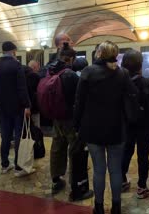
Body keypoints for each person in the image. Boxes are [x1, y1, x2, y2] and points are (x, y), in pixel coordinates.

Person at [74, 41, 132, 214]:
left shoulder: (88, 72)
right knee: (115, 170)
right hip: (116, 129)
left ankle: (98, 207)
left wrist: (77, 126)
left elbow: (79, 102)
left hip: (93, 130)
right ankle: (116, 207)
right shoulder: (123, 73)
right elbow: (129, 98)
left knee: (99, 170)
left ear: (99, 53)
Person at [46, 43, 94, 201]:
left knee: (57, 147)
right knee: (75, 151)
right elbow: (79, 99)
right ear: (71, 59)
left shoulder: (50, 71)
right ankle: (77, 188)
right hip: (70, 119)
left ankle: (56, 179)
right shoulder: (71, 75)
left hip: (56, 118)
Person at [0, 41, 31, 176]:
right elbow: (22, 88)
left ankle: (4, 165)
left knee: (5, 136)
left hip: (2, 107)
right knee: (18, 135)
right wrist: (27, 105)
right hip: (17, 107)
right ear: (14, 51)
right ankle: (18, 167)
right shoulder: (16, 65)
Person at [120, 49, 149, 199]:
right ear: (140, 65)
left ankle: (121, 181)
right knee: (143, 155)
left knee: (126, 152)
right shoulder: (146, 83)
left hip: (126, 124)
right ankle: (141, 186)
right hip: (144, 125)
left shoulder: (120, 83)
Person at [26, 60, 41, 128]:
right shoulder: (35, 76)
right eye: (38, 68)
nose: (39, 70)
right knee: (36, 127)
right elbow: (35, 92)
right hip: (34, 108)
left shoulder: (21, 75)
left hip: (23, 108)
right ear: (34, 67)